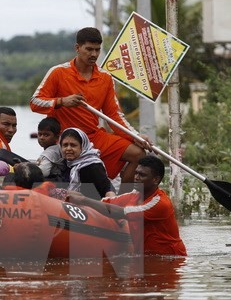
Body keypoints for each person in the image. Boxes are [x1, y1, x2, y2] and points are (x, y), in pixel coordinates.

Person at [29, 27, 151, 188]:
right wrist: (61, 101)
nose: (93, 54)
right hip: (65, 139)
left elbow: (114, 115)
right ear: (77, 48)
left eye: (97, 50)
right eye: (89, 49)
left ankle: (121, 202)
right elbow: (35, 102)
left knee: (138, 154)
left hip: (93, 137)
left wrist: (136, 136)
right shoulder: (58, 72)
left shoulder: (105, 77)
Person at [66, 155, 187, 256]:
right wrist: (72, 196)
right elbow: (107, 202)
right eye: (136, 173)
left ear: (155, 179)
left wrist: (84, 200)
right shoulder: (134, 195)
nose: (136, 178)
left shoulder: (159, 203)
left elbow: (119, 212)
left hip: (170, 258)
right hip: (147, 256)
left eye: (142, 175)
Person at [60, 127, 116, 199]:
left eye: (73, 145)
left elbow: (107, 189)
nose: (68, 149)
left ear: (83, 146)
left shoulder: (93, 166)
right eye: (65, 145)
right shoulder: (65, 163)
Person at [36, 117, 67, 182]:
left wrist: (25, 168)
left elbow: (43, 172)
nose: (41, 137)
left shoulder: (50, 152)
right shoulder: (59, 148)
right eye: (40, 134)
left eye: (46, 135)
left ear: (57, 137)